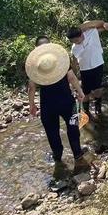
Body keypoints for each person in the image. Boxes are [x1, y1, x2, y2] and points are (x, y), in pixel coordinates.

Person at [26, 38, 86, 168]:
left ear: (37, 49)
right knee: (73, 127)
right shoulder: (61, 59)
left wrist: (32, 105)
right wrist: (80, 91)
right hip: (67, 101)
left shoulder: (35, 66)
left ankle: (58, 158)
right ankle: (77, 154)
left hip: (48, 105)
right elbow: (71, 77)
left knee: (52, 132)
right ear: (50, 46)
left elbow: (32, 87)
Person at [67, 20, 108, 116]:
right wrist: (74, 75)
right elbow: (74, 62)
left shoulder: (92, 33)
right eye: (73, 41)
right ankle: (86, 111)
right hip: (85, 70)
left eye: (76, 40)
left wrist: (82, 27)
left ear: (82, 34)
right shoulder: (74, 48)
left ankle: (98, 108)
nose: (75, 43)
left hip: (97, 65)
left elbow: (103, 24)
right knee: (85, 92)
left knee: (97, 89)